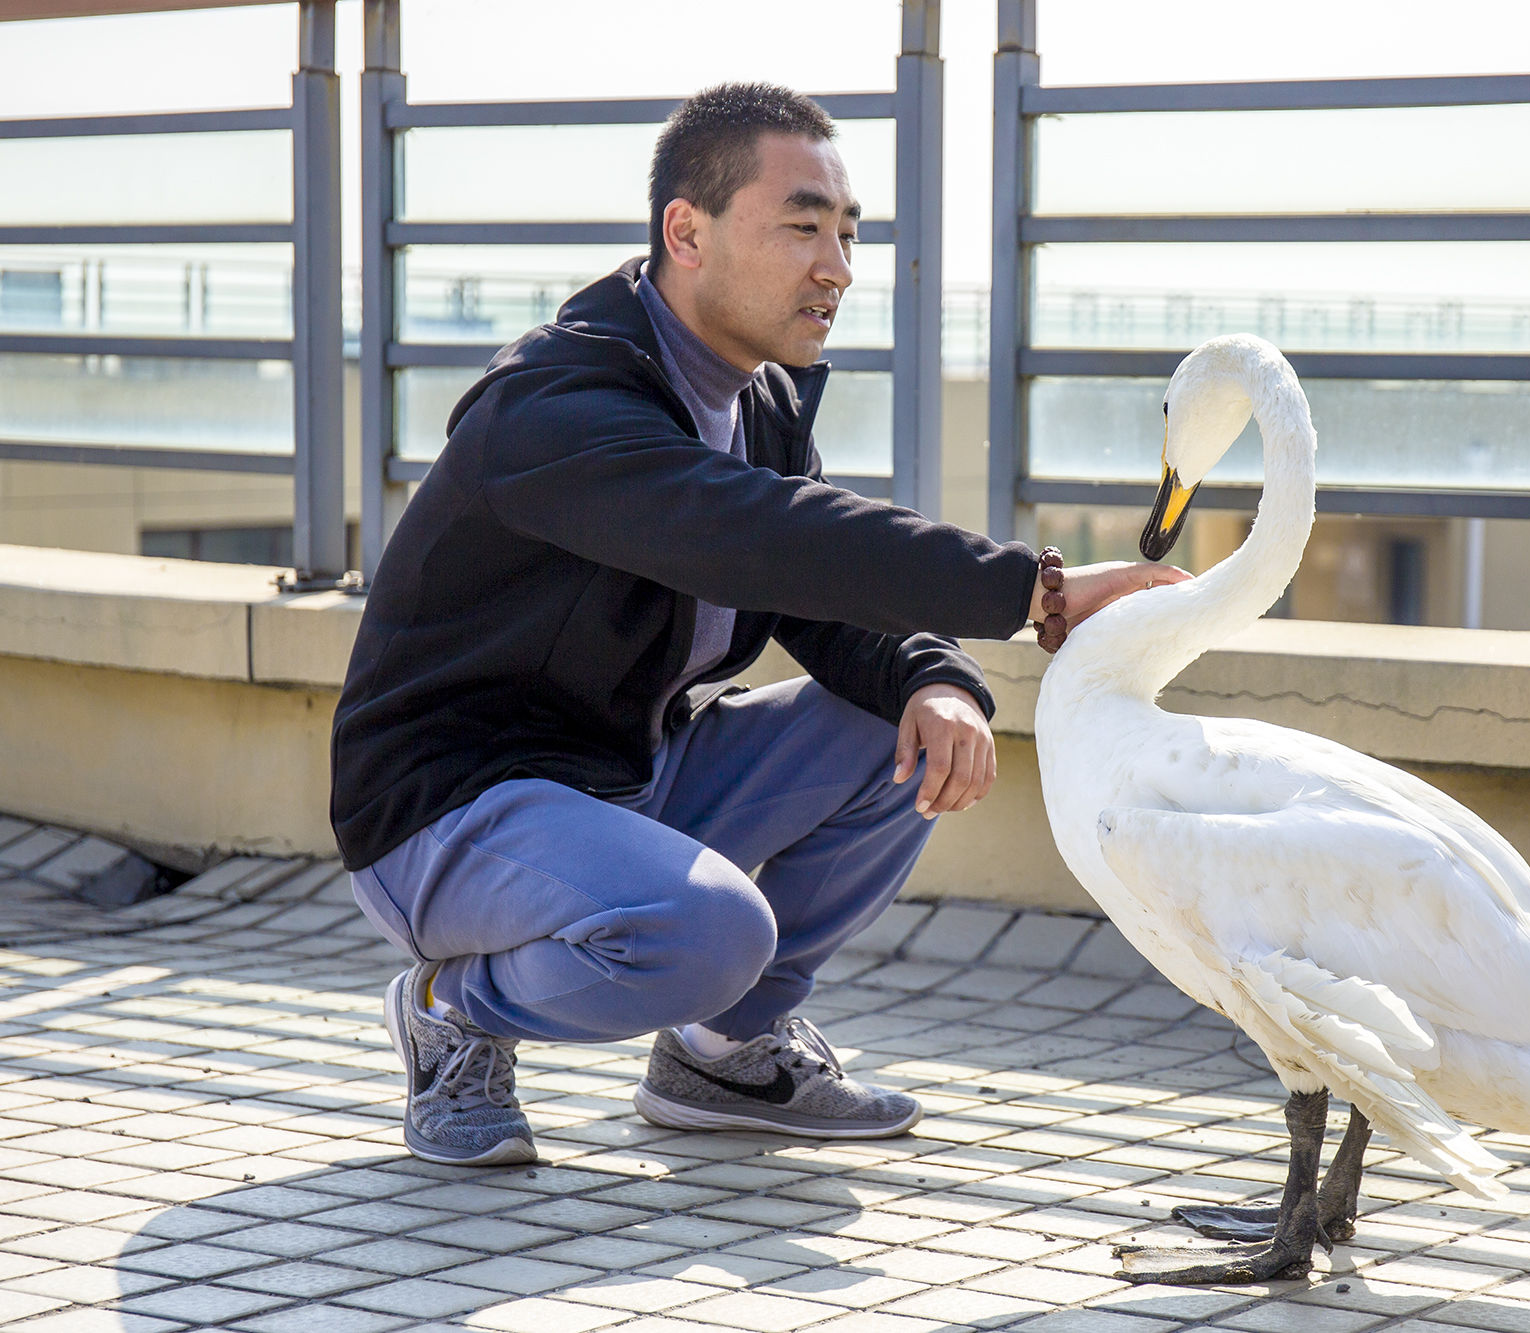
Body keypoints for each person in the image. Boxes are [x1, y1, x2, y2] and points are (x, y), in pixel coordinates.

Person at [330, 81, 1183, 1165]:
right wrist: (1034, 589)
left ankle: (723, 1053)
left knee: (903, 721)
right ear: (686, 233)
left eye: (848, 234)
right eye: (802, 227)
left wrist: (932, 674)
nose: (838, 268)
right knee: (711, 931)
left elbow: (814, 586)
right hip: (449, 810)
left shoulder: (759, 401)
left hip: (620, 781)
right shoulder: (555, 405)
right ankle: (451, 1010)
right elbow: (760, 535)